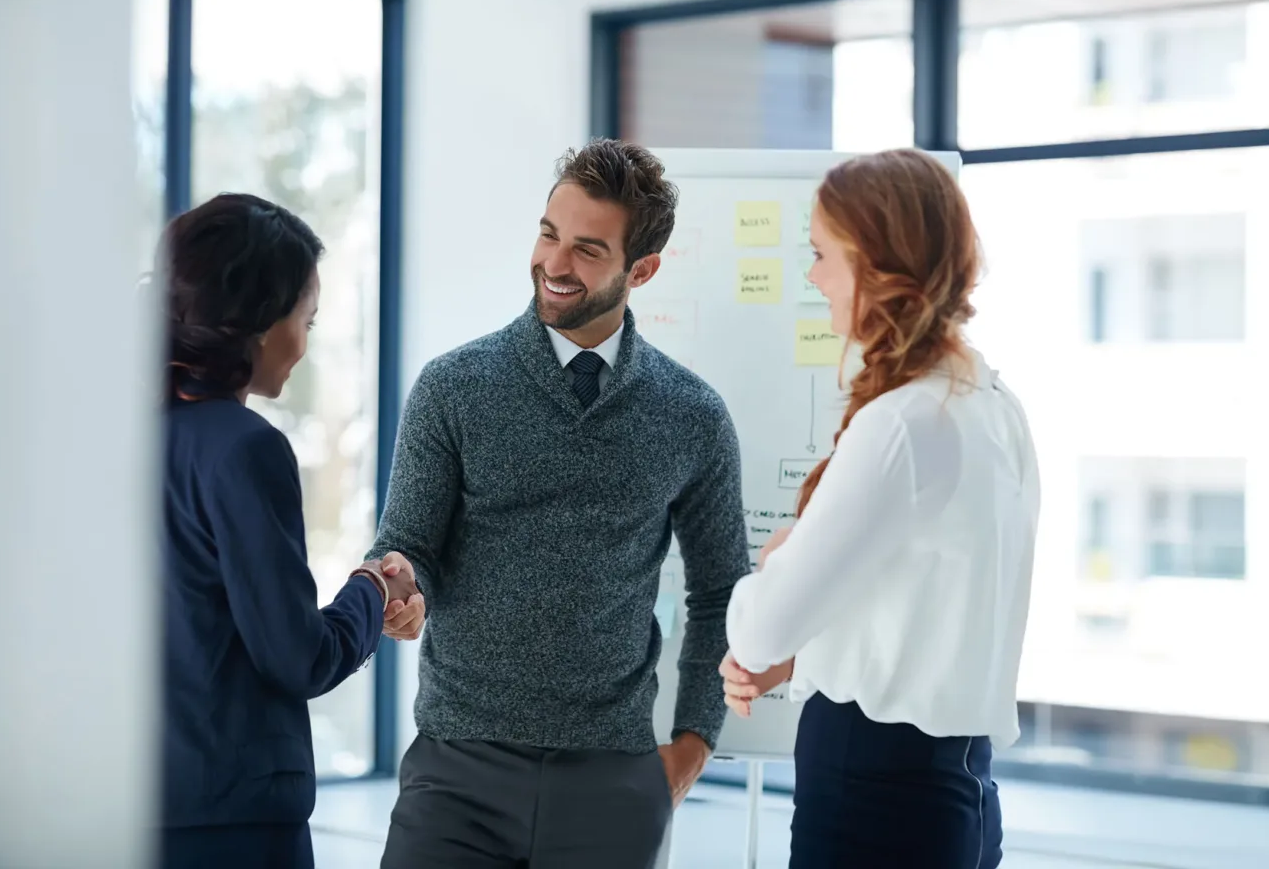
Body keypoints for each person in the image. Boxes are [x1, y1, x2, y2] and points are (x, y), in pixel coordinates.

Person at [370, 139, 750, 869]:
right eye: (548, 234)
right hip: (456, 772)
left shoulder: (692, 415)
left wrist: (693, 745)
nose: (554, 264)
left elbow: (720, 594)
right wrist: (400, 586)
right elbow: (406, 542)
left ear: (642, 270)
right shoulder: (452, 387)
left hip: (612, 780)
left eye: (586, 249)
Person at [719, 149, 1040, 869]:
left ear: (873, 262)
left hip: (872, 792)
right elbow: (920, 609)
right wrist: (800, 660)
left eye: (821, 254)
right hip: (958, 787)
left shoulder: (902, 422)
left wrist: (777, 560)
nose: (812, 277)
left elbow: (761, 626)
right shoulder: (993, 405)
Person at [157, 193, 425, 869]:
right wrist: (371, 588)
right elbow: (297, 655)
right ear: (259, 324)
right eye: (305, 318)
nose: (305, 342)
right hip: (234, 822)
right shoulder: (245, 449)